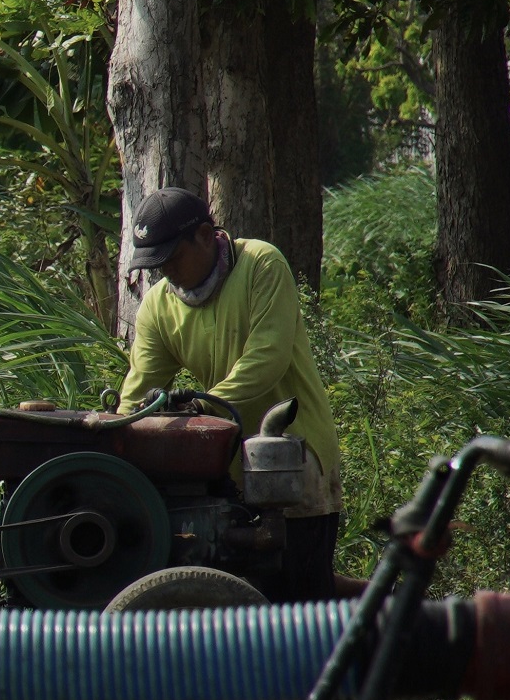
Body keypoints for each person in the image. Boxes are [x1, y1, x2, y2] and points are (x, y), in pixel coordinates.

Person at [118, 187, 343, 600]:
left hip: (292, 456)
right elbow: (139, 391)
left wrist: (200, 406)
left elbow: (267, 358)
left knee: (301, 607)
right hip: (224, 470)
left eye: (171, 257)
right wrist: (118, 432)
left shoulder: (260, 264)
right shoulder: (157, 306)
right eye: (155, 263)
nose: (164, 270)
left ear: (205, 235)